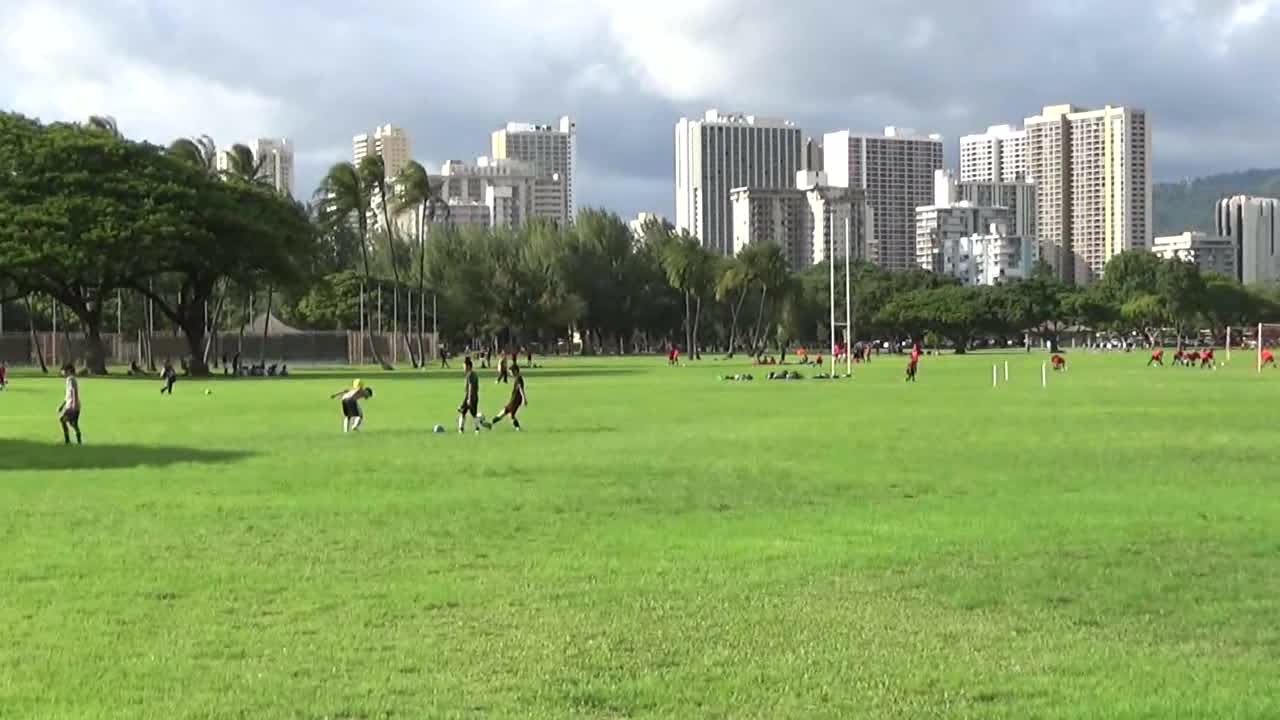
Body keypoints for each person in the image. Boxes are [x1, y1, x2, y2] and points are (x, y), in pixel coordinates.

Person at [491, 363, 528, 431]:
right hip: (513, 399)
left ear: (515, 371)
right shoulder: (517, 378)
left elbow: (521, 389)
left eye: (511, 371)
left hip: (516, 400)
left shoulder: (519, 378)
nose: (510, 373)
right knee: (503, 413)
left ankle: (518, 429)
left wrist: (524, 399)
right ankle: (491, 424)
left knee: (510, 415)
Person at [457, 356, 487, 433]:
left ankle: (475, 428)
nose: (463, 368)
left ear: (468, 366)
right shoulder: (472, 374)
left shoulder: (470, 375)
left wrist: (469, 399)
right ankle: (462, 429)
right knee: (465, 412)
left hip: (471, 397)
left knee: (470, 413)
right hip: (471, 396)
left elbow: (471, 387)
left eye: (464, 366)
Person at [57, 363, 82, 445]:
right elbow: (68, 395)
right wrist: (62, 405)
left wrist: (74, 404)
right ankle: (79, 441)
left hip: (72, 406)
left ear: (68, 370)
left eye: (63, 371)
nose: (62, 373)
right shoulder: (70, 379)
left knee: (62, 420)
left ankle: (67, 440)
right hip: (72, 405)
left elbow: (74, 391)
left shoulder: (70, 379)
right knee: (73, 424)